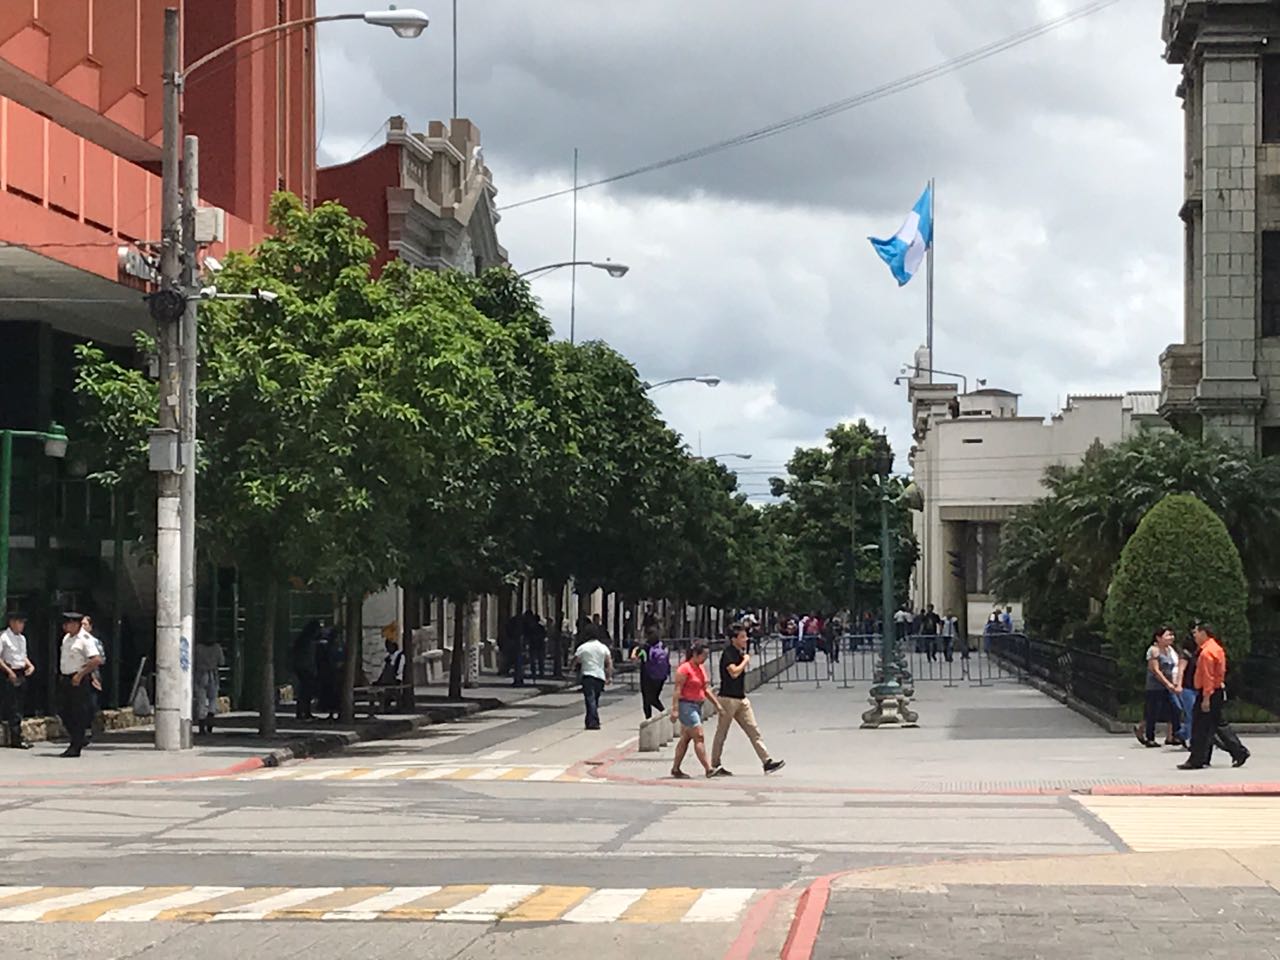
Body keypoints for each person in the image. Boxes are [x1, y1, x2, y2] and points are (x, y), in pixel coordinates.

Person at [710, 624, 785, 777]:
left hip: (741, 698)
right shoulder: (728, 653)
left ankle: (767, 761)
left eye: (746, 636)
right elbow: (733, 673)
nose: (746, 639)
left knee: (753, 730)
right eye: (742, 637)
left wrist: (744, 658)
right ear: (733, 639)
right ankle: (715, 764)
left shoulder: (740, 652)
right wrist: (745, 661)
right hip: (728, 699)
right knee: (722, 733)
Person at [1180, 622, 1250, 771]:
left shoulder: (1206, 653)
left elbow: (1208, 677)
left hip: (1208, 692)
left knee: (1200, 727)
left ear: (1204, 633)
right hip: (1215, 691)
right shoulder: (1216, 648)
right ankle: (1236, 752)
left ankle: (1197, 759)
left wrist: (1206, 698)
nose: (1194, 636)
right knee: (1216, 724)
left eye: (1196, 633)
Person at [670, 643, 722, 779]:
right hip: (686, 706)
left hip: (698, 705)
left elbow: (706, 689)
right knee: (699, 736)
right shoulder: (684, 669)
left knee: (686, 738)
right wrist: (675, 709)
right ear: (695, 654)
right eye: (703, 655)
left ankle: (675, 768)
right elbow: (677, 690)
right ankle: (708, 768)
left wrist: (717, 704)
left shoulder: (700, 668)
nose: (705, 658)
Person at [58, 611, 102, 758]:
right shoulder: (67, 638)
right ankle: (78, 738)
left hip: (78, 678)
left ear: (76, 624)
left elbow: (96, 659)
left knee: (77, 712)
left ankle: (75, 745)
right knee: (63, 711)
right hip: (66, 677)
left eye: (68, 623)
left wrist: (80, 675)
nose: (65, 626)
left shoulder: (85, 639)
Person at [1136, 626, 1183, 748]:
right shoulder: (1154, 651)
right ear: (1158, 637)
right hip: (1155, 687)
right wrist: (1167, 683)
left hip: (1168, 686)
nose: (1171, 637)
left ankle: (1174, 735)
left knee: (1175, 709)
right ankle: (1149, 737)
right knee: (1153, 712)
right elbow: (1155, 670)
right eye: (1168, 635)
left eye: (1172, 635)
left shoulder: (1170, 650)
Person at [0, 611, 35, 749]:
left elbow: (22, 656)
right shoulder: (4, 637)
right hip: (9, 672)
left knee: (20, 705)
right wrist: (9, 672)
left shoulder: (22, 639)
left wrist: (30, 665)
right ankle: (16, 738)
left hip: (21, 672)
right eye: (19, 622)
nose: (22, 625)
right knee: (12, 706)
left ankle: (17, 735)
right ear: (12, 623)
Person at [573, 628, 612, 730]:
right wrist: (609, 676)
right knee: (595, 699)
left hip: (588, 675)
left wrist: (572, 668)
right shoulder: (603, 647)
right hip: (600, 676)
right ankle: (590, 720)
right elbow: (608, 663)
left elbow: (576, 660)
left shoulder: (583, 647)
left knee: (590, 699)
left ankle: (594, 721)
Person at [631, 626, 670, 720]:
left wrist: (635, 649)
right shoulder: (663, 646)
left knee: (647, 699)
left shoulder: (645, 647)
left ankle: (651, 718)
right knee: (654, 698)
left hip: (647, 676)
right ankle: (664, 713)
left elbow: (633, 658)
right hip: (661, 677)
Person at [193, 635, 224, 735]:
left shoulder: (198, 648)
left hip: (200, 674)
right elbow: (222, 662)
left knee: (201, 702)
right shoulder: (217, 648)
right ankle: (210, 727)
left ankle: (202, 728)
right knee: (212, 701)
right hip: (213, 675)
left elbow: (193, 661)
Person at [292, 620, 321, 721]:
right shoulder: (308, 642)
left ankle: (304, 712)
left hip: (303, 668)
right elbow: (309, 658)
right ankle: (303, 713)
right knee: (305, 692)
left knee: (305, 692)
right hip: (306, 669)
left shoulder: (304, 640)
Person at [1174, 635, 1198, 747]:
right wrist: (1179, 685)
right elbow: (1181, 671)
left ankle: (1182, 734)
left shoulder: (1198, 654)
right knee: (1191, 714)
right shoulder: (1185, 655)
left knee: (1195, 714)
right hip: (1187, 688)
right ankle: (1189, 738)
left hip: (1197, 687)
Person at [374, 637, 407, 710]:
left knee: (391, 694)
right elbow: (384, 670)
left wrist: (398, 679)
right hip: (386, 681)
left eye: (389, 646)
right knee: (381, 693)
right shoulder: (388, 657)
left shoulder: (400, 656)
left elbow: (400, 669)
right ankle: (383, 708)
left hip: (395, 680)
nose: (387, 648)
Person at [523, 610, 547, 681]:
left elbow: (543, 635)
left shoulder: (534, 628)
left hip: (536, 645)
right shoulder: (532, 627)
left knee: (536, 660)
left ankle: (537, 673)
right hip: (537, 645)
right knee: (537, 660)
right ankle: (539, 673)